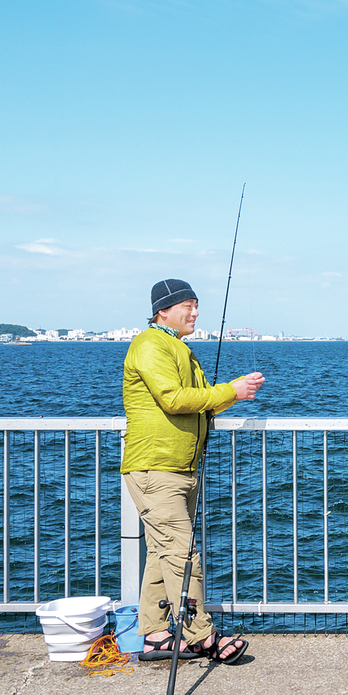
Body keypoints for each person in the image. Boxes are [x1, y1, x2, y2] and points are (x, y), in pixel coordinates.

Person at [122, 278, 266, 664]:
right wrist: (230, 391)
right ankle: (201, 634)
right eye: (188, 305)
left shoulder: (179, 349)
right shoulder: (150, 345)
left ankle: (154, 635)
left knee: (162, 552)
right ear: (163, 310)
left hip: (181, 467)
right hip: (157, 467)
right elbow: (172, 399)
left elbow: (200, 404)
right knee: (183, 555)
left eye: (197, 305)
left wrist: (236, 393)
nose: (195, 312)